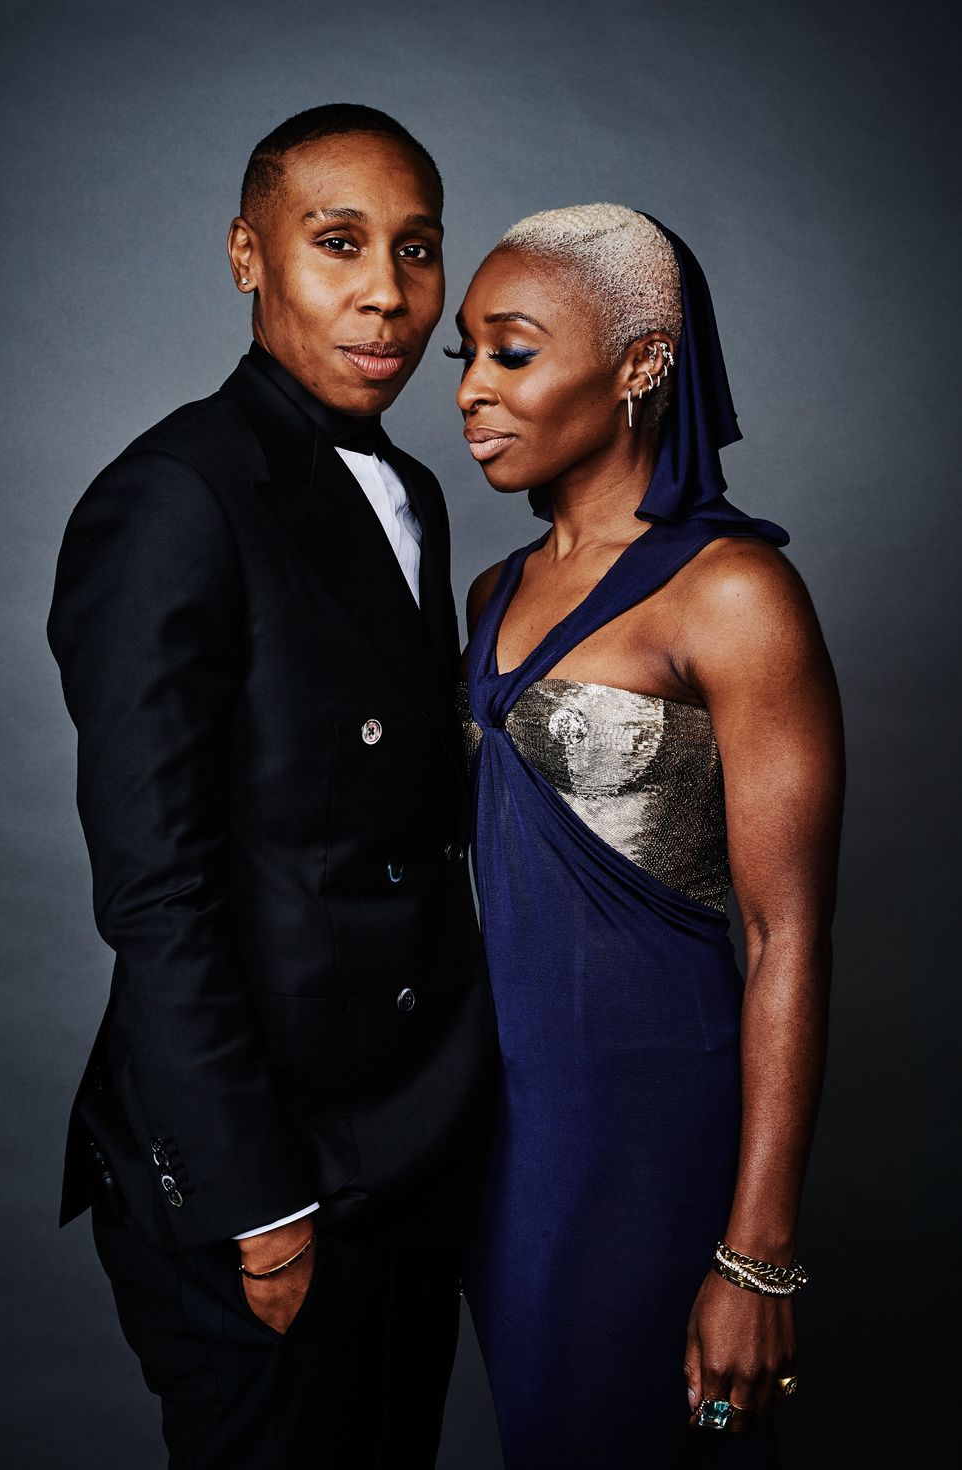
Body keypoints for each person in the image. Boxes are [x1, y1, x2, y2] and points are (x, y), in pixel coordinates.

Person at [47, 103, 496, 1470]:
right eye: (338, 242)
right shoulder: (176, 497)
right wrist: (259, 1203)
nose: (388, 294)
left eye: (417, 251)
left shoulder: (414, 488)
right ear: (248, 254)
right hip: (264, 1170)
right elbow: (157, 887)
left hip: (410, 1145)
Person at [453, 205, 843, 1466]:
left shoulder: (733, 593)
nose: (467, 391)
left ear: (638, 364)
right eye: (467, 353)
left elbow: (786, 931)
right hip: (500, 1127)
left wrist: (757, 1256)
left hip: (650, 1123)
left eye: (509, 354)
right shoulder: (487, 592)